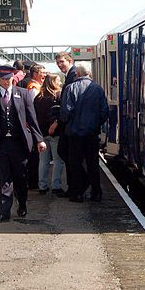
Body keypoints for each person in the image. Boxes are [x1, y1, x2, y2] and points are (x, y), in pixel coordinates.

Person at [0, 66, 46, 222]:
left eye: (9, 79)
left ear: (13, 78)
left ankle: (22, 203)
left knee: (20, 178)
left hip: (19, 144)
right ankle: (3, 212)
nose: (6, 82)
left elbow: (32, 119)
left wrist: (39, 139)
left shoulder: (24, 94)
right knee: (3, 179)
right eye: (3, 79)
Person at [60, 62, 109, 202]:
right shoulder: (98, 89)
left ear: (78, 74)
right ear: (89, 73)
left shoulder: (70, 88)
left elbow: (65, 112)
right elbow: (104, 111)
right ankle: (96, 192)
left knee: (75, 164)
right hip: (92, 133)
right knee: (93, 164)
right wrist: (96, 124)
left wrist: (68, 123)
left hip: (75, 134)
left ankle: (78, 193)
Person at [35, 74, 65, 195]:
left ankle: (42, 186)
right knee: (58, 160)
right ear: (53, 82)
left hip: (41, 133)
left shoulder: (38, 97)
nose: (60, 83)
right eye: (58, 80)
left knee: (43, 160)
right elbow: (61, 112)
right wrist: (55, 123)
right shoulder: (58, 96)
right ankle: (56, 186)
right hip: (55, 132)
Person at [54, 51, 77, 197]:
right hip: (69, 123)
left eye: (62, 61)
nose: (60, 65)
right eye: (58, 62)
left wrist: (60, 121)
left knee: (68, 154)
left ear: (70, 61)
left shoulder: (73, 75)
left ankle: (75, 186)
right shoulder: (70, 74)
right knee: (66, 154)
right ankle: (73, 187)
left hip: (71, 124)